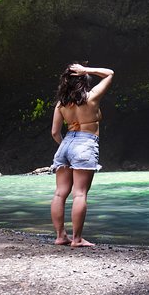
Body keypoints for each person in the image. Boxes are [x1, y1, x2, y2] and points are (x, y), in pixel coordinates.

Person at [50, 63, 114, 247]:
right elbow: (109, 73)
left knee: (60, 194)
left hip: (66, 144)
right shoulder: (92, 97)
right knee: (79, 194)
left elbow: (55, 132)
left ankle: (61, 236)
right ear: (83, 80)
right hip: (85, 144)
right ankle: (77, 239)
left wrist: (67, 147)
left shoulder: (61, 104)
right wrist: (86, 69)